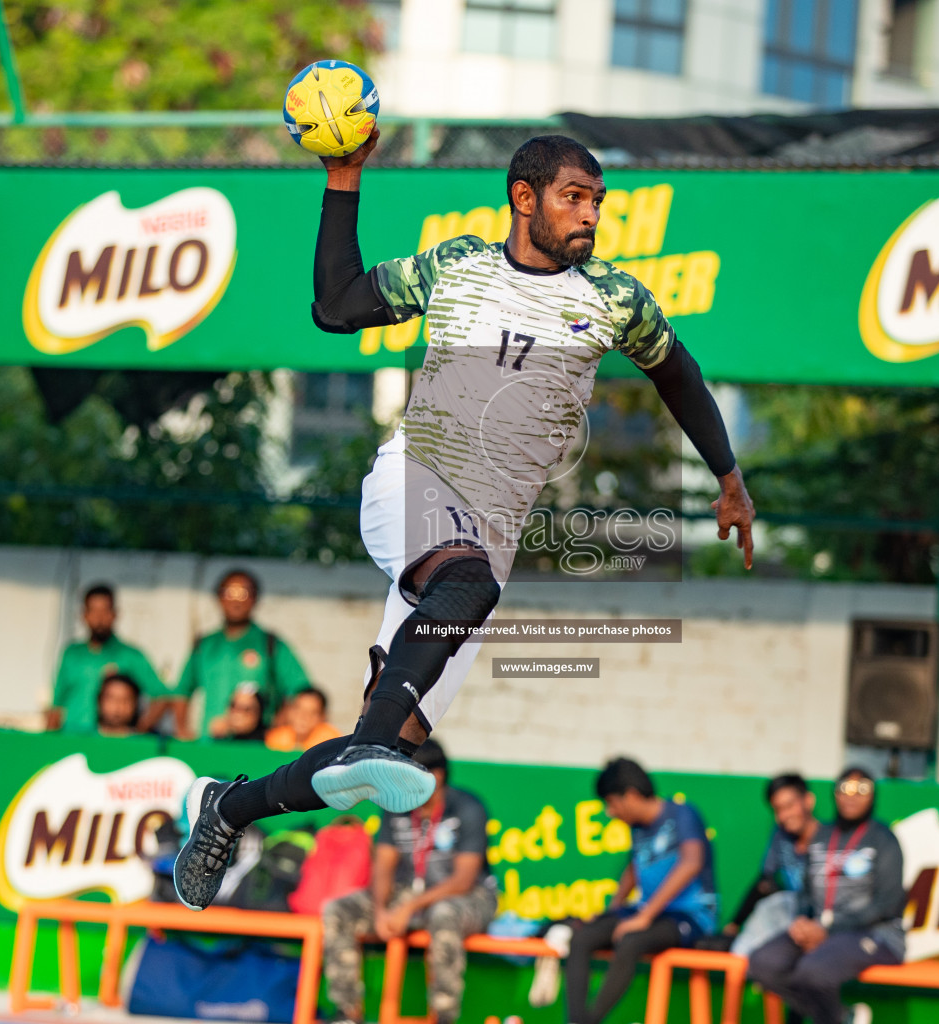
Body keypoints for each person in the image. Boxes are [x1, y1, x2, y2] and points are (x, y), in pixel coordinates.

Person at [175, 130, 756, 910]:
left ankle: (227, 808)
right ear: (524, 197)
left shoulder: (614, 298)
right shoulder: (457, 267)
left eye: (598, 202)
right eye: (572, 198)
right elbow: (337, 305)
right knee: (459, 593)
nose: (589, 215)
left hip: (488, 537)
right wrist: (344, 177)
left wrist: (728, 477)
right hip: (414, 481)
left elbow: (677, 375)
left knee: (376, 762)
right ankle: (373, 737)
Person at [320, 741, 496, 1024]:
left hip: (469, 898)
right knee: (338, 910)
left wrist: (408, 907)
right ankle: (347, 1013)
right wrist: (380, 910)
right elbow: (384, 865)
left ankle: (444, 1016)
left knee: (445, 914)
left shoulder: (467, 807)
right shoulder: (397, 804)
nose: (398, 781)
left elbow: (464, 880)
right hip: (409, 896)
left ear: (435, 776)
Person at [747, 769, 906, 1024]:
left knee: (813, 971)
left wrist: (827, 929)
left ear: (873, 796)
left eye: (862, 790)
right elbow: (807, 893)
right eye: (845, 788)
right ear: (835, 794)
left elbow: (887, 905)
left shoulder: (883, 839)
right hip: (822, 929)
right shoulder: (822, 836)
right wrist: (802, 922)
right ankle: (845, 1017)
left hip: (875, 934)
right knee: (763, 963)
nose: (852, 796)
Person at [564, 758, 717, 1024]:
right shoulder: (636, 829)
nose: (610, 812)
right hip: (648, 912)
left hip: (689, 917)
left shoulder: (683, 814)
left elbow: (691, 863)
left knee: (630, 941)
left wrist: (645, 917)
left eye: (611, 803)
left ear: (631, 796)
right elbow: (634, 868)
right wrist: (612, 911)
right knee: (581, 938)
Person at [163, 569, 311, 740]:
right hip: (210, 744)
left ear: (255, 599)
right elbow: (182, 690)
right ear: (219, 598)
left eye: (243, 593)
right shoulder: (205, 644)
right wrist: (182, 730)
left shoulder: (270, 644)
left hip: (257, 748)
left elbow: (301, 691)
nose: (235, 601)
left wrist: (278, 727)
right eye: (229, 592)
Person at [46, 584, 168, 734]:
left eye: (105, 611)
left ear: (115, 614)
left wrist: (140, 730)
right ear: (84, 615)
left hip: (112, 743)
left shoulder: (131, 656)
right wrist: (49, 741)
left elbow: (162, 697)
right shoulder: (71, 654)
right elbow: (57, 704)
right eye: (94, 611)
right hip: (72, 738)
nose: (99, 618)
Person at [725, 773, 818, 958]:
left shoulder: (831, 841)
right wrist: (734, 924)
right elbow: (764, 882)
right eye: (778, 809)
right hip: (792, 921)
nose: (784, 815)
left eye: (790, 806)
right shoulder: (781, 837)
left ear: (808, 801)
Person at [266, 687, 341, 752]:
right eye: (297, 709)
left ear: (322, 717)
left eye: (312, 712)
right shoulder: (276, 737)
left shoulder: (330, 742)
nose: (303, 717)